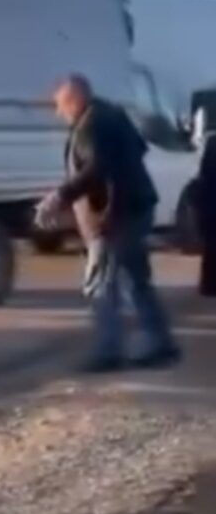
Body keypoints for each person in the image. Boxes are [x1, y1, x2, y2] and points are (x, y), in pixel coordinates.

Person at [37, 74, 180, 372]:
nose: (59, 113)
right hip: (131, 210)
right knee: (136, 282)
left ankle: (109, 352)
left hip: (114, 218)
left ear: (75, 99)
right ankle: (161, 344)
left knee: (102, 285)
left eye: (61, 105)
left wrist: (60, 196)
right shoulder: (111, 115)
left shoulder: (92, 124)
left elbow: (96, 169)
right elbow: (134, 152)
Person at [197, 131, 216, 297]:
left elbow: (203, 174)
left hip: (209, 200)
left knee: (211, 245)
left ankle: (209, 285)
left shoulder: (212, 142)